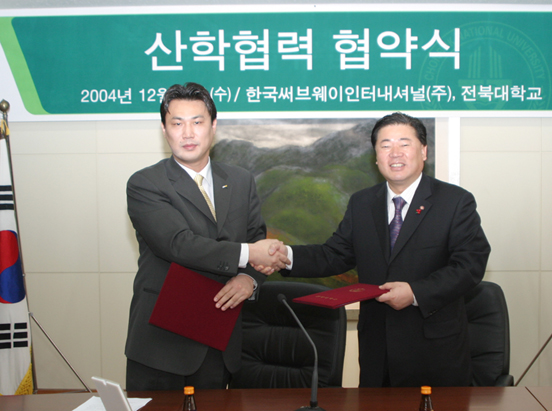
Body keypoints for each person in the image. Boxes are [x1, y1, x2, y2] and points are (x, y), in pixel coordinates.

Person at [274, 112, 490, 387]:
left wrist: (415, 292)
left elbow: (470, 265)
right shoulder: (362, 202)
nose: (395, 153)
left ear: (424, 151)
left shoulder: (455, 201)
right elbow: (335, 254)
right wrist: (286, 257)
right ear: (376, 157)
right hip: (377, 348)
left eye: (404, 144)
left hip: (434, 350)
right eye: (385, 145)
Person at [125, 82, 288, 390]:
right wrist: (249, 254)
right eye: (177, 123)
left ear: (213, 126)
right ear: (164, 129)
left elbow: (256, 236)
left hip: (219, 339)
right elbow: (178, 244)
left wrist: (249, 279)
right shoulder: (146, 183)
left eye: (197, 122)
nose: (188, 133)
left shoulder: (240, 180)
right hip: (163, 343)